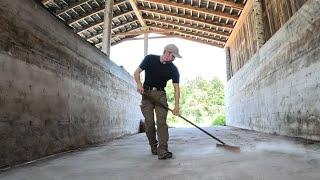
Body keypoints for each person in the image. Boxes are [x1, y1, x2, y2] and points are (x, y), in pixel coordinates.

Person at [134, 44, 182, 160]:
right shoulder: (150, 59)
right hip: (147, 94)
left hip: (160, 95)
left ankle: (163, 150)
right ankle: (154, 146)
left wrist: (176, 106)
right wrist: (139, 84)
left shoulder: (173, 69)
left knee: (161, 123)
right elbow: (136, 72)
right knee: (149, 124)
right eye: (173, 56)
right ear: (167, 53)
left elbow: (176, 88)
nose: (174, 59)